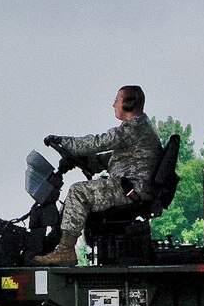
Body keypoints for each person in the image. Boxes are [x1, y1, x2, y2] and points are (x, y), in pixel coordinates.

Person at [34, 85, 162, 265]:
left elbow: (96, 142)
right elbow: (112, 159)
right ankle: (54, 243)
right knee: (80, 192)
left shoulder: (133, 127)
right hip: (130, 186)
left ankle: (65, 250)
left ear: (129, 103)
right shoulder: (139, 128)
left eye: (116, 100)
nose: (113, 105)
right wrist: (86, 162)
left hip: (131, 189)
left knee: (78, 192)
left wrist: (62, 141)